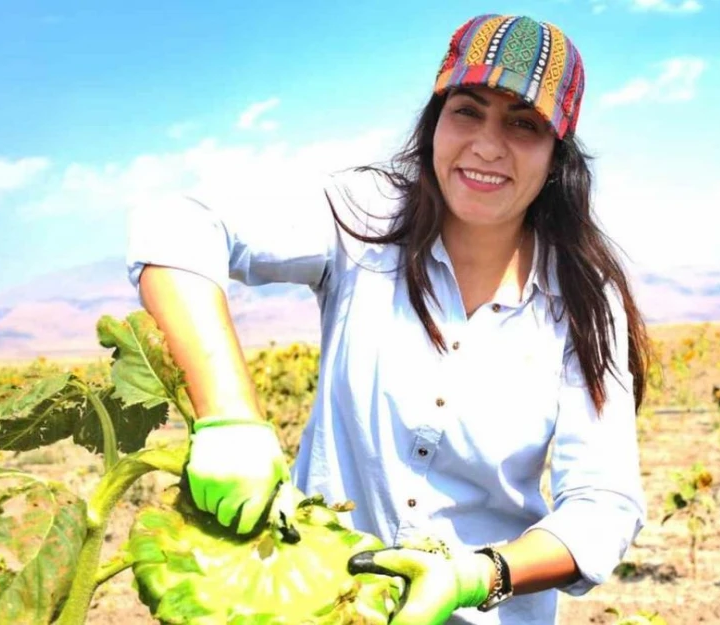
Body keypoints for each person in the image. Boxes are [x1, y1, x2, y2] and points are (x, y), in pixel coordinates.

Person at [125, 13, 651, 625]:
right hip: (326, 604)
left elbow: (602, 504)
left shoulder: (584, 299)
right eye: (467, 110)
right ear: (435, 119)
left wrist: (474, 575)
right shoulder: (368, 222)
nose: (486, 145)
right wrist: (230, 418)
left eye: (523, 125)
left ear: (557, 152)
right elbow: (178, 225)